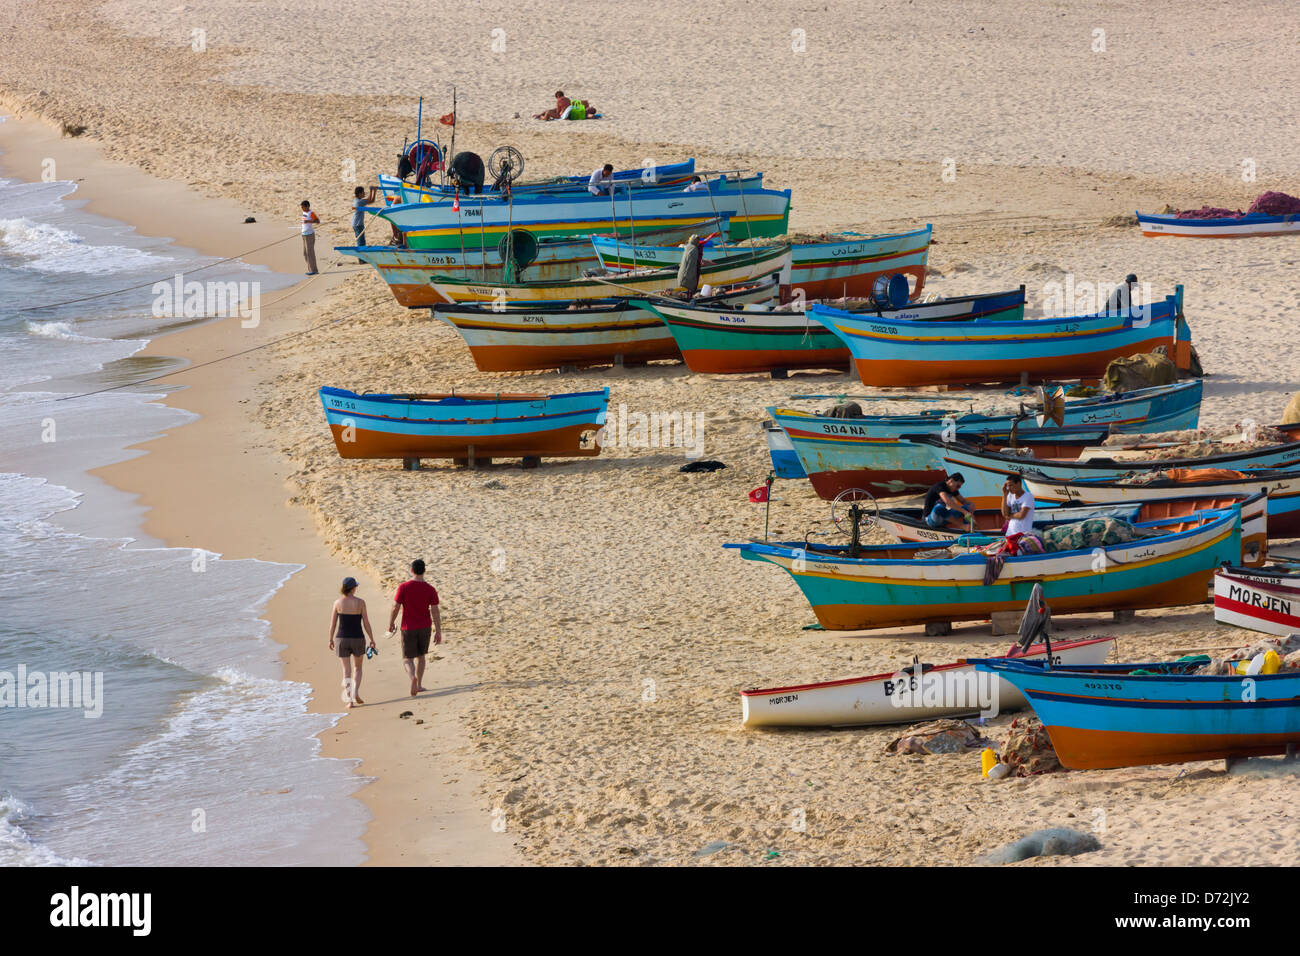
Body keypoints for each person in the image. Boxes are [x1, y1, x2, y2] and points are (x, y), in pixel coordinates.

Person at [388, 559, 442, 697]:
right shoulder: (430, 589)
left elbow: (395, 607)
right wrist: (438, 631)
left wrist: (391, 622)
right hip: (425, 627)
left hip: (408, 627)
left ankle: (412, 677)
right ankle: (419, 685)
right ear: (424, 571)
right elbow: (435, 611)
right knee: (421, 657)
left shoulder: (404, 587)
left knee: (407, 659)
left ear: (411, 570)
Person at [329, 577, 376, 708]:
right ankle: (355, 692)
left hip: (342, 638)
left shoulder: (337, 603)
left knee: (346, 670)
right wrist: (372, 639)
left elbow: (333, 624)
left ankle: (350, 701)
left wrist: (330, 639)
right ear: (353, 588)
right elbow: (366, 622)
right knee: (358, 668)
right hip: (358, 638)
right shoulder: (360, 602)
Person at [351, 185, 377, 251]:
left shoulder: (357, 200)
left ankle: (362, 258)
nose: (364, 193)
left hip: (356, 224)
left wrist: (372, 190)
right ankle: (361, 259)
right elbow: (371, 200)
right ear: (359, 194)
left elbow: (369, 200)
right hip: (358, 225)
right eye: (363, 192)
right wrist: (373, 191)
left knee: (361, 241)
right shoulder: (359, 202)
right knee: (361, 242)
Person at [300, 200, 320, 275]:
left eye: (303, 207)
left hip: (309, 235)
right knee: (305, 253)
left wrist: (309, 221)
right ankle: (310, 269)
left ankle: (314, 270)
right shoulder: (304, 212)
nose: (302, 208)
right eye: (301, 207)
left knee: (310, 253)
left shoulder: (311, 213)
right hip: (304, 234)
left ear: (307, 206)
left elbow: (318, 221)